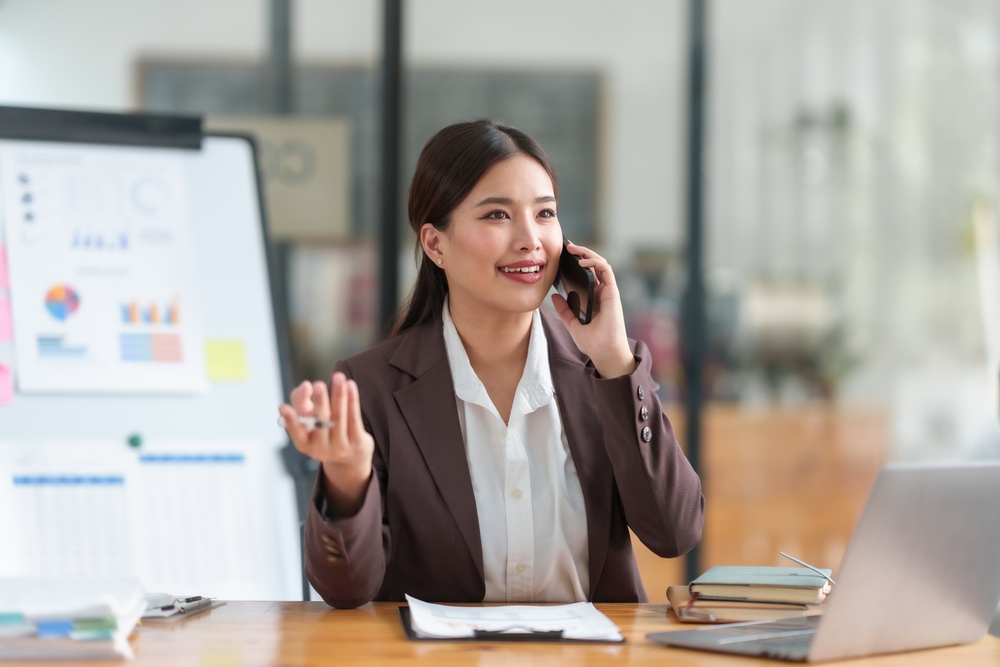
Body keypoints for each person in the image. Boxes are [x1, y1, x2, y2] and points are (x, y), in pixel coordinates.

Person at [279, 120, 704, 608]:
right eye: (498, 215)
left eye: (545, 214)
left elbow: (675, 532)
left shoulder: (605, 372)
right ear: (435, 244)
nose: (530, 240)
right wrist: (348, 481)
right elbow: (347, 590)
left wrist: (613, 361)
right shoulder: (369, 386)